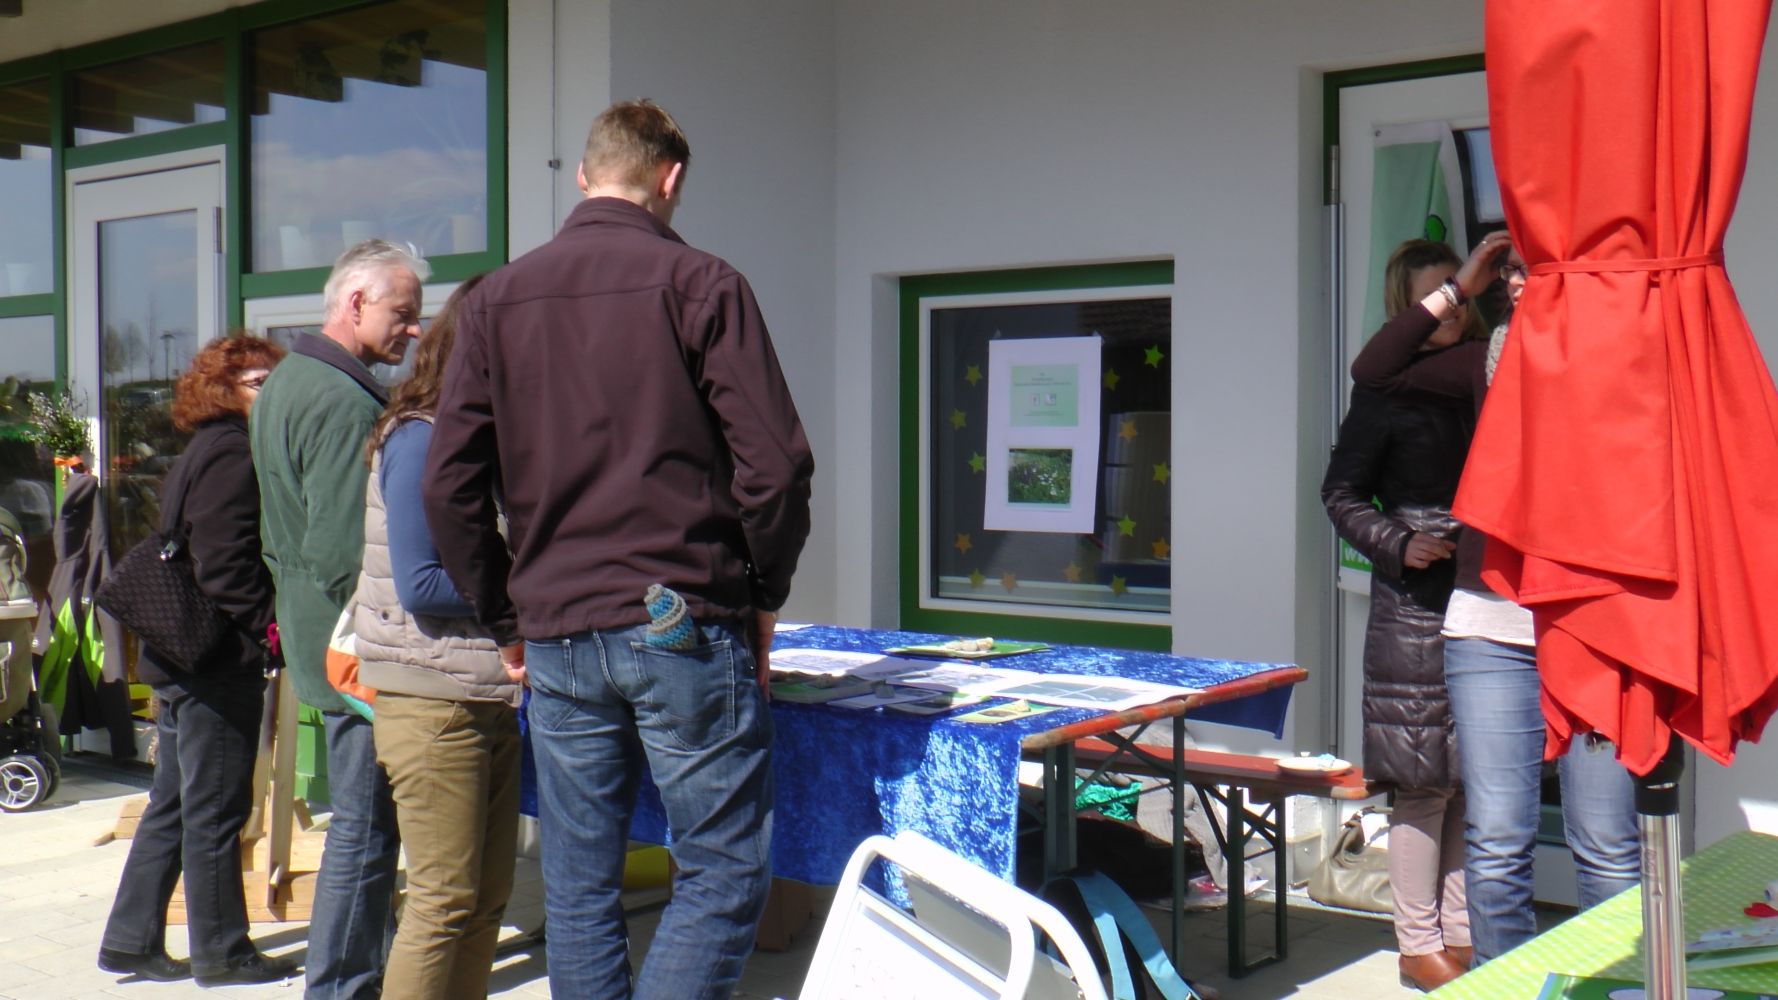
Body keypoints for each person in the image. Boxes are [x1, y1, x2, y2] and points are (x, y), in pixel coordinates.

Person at [424, 100, 815, 1000]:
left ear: (583, 176)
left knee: (579, 886)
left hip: (560, 628)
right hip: (679, 616)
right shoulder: (702, 284)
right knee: (721, 874)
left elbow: (447, 488)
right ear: (670, 179)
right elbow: (777, 467)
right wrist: (763, 592)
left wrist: (506, 619)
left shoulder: (496, 300)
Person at [1351, 231, 1641, 965]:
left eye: (1528, 269)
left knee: (1607, 842)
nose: (1514, 281)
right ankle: (1490, 976)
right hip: (1490, 620)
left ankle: (1611, 980)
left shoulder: (1617, 350)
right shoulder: (1486, 361)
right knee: (1497, 836)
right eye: (1508, 270)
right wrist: (1460, 287)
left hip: (1595, 622)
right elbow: (1374, 370)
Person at [251, 239, 427, 999]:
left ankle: (359, 976)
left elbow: (285, 538)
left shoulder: (289, 379)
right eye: (403, 313)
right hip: (355, 651)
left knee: (360, 825)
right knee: (364, 830)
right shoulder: (342, 400)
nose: (414, 329)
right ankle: (341, 987)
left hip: (317, 634)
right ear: (355, 303)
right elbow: (339, 550)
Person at [98, 335, 298, 987]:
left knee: (176, 803)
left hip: (182, 657)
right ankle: (224, 953)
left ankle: (131, 941)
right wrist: (271, 630)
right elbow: (226, 564)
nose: (271, 392)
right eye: (257, 383)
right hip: (212, 660)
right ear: (223, 390)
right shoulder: (233, 452)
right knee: (214, 810)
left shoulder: (205, 449)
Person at [353, 274, 522, 1000]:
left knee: (484, 902)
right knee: (443, 903)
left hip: (480, 695)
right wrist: (534, 595)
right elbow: (423, 585)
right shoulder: (422, 438)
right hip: (434, 704)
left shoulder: (467, 436)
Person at [1323, 239, 1480, 992]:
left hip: (1488, 588)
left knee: (1473, 777)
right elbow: (1340, 494)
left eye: (1459, 290)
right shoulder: (1385, 390)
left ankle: (1462, 935)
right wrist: (1398, 541)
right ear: (1406, 306)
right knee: (1423, 780)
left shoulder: (1487, 368)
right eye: (1436, 294)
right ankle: (1418, 945)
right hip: (1415, 602)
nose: (1452, 307)